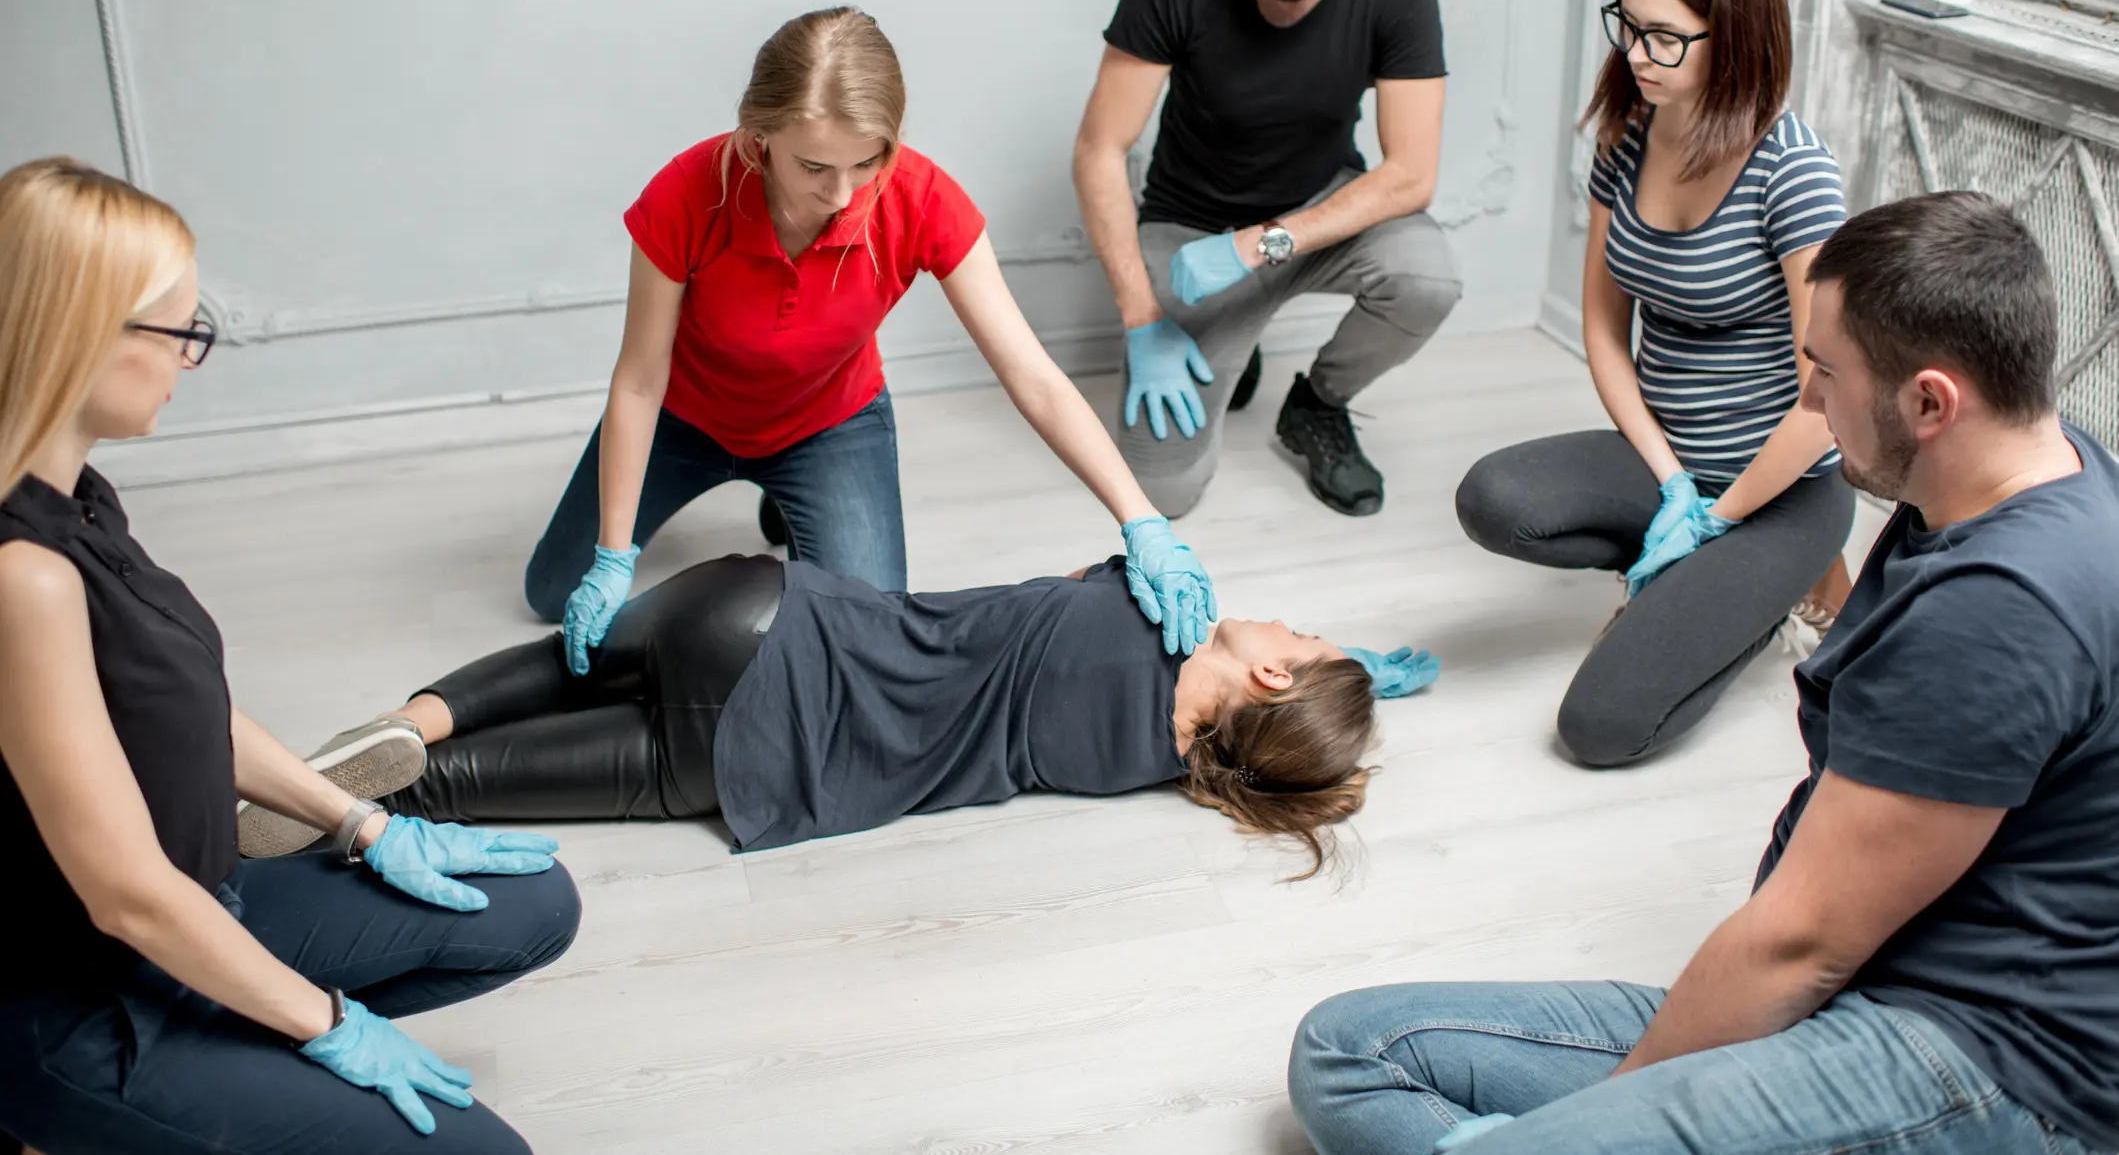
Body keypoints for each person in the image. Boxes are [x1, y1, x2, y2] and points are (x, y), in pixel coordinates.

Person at [1288, 192, 2119, 1155]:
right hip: (1869, 990)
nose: (1807, 402)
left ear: (1930, 401)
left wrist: (1612, 1123)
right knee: (1351, 1052)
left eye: (1824, 373)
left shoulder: (1996, 612)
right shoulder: (2042, 474)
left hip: (1982, 1060)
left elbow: (1800, 942)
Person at [0, 159, 582, 1153]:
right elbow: (126, 893)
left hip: (197, 903)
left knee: (531, 901)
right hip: (90, 1005)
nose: (190, 358)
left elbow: (175, 707)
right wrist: (326, 1023)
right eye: (181, 332)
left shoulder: (80, 498)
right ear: (80, 334)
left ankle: (232, 1053)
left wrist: (361, 824)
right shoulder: (23, 578)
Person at [528, 6, 1215, 683]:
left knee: (866, 633)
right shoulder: (687, 192)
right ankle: (767, 497)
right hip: (686, 418)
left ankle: (790, 494)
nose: (841, 192)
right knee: (552, 592)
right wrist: (614, 557)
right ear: (756, 137)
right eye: (813, 166)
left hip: (826, 427)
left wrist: (1142, 522)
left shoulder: (923, 200)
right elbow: (639, 381)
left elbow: (1031, 377)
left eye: (867, 161)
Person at [268, 554, 1438, 877]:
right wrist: (1334, 704)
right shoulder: (1134, 760)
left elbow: (1098, 574)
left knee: (567, 654)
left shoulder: (1134, 608)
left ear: (1275, 680)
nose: (1292, 623)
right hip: (747, 758)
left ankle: (417, 712)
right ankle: (345, 799)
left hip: (762, 607)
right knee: (454, 796)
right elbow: (1218, 739)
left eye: (1306, 640)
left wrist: (1348, 673)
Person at [1453, 0, 1854, 767]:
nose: (1635, 55)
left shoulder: (1794, 174)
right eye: (1627, 26)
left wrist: (1715, 520)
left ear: (1736, 36)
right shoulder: (1628, 135)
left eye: (1664, 37)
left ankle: (1767, 591)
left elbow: (1826, 402)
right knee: (1493, 497)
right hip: (1669, 462)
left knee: (1597, 730)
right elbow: (1602, 326)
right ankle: (1702, 581)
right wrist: (1672, 483)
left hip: (1777, 488)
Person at [1073, 0, 1459, 519]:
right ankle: (1233, 336)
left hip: (1315, 212)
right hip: (1190, 230)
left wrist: (1257, 247)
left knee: (1426, 280)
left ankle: (1317, 404)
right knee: (1161, 494)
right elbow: (1099, 148)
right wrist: (1139, 317)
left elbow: (1410, 175)